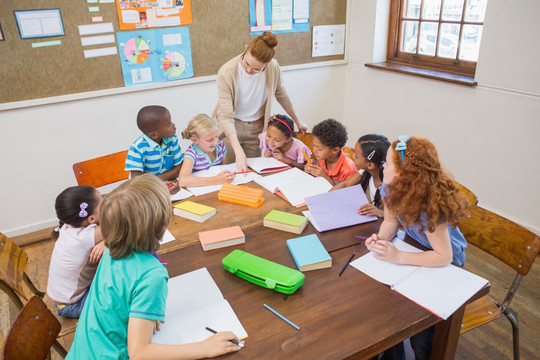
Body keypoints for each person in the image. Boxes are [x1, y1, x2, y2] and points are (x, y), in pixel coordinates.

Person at [66, 174, 244, 359]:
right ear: (162, 222)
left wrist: (141, 317)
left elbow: (115, 301)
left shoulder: (111, 248)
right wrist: (205, 348)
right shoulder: (152, 274)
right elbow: (139, 353)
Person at [365, 135, 469, 360]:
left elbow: (444, 256)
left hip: (446, 264)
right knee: (389, 312)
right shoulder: (390, 188)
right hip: (416, 250)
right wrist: (380, 239)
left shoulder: (430, 205)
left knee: (422, 336)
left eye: (389, 164)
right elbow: (391, 222)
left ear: (404, 174)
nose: (384, 166)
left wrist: (398, 256)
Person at [212, 31, 308, 172]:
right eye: (246, 63)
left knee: (250, 174)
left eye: (256, 69)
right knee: (229, 172)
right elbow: (226, 117)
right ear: (246, 49)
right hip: (231, 129)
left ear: (267, 64)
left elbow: (281, 95)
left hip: (256, 129)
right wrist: (239, 153)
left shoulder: (273, 68)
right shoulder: (226, 72)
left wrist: (297, 121)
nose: (249, 70)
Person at [47, 185, 106, 318]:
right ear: (91, 219)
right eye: (103, 204)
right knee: (119, 297)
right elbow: (121, 225)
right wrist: (107, 242)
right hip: (74, 305)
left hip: (63, 298)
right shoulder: (83, 238)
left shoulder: (67, 226)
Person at [125, 105, 183, 194]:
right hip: (143, 191)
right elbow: (136, 181)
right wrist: (159, 182)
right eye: (168, 124)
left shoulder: (172, 139)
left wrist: (158, 181)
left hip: (166, 185)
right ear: (154, 135)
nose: (173, 125)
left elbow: (179, 167)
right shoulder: (138, 148)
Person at [331, 134, 390, 218]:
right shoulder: (365, 171)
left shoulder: (391, 185)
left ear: (370, 165)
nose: (353, 156)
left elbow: (401, 220)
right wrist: (326, 197)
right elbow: (346, 184)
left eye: (356, 156)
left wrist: (380, 212)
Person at [178, 114, 235, 187]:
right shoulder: (191, 154)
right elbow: (182, 181)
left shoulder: (220, 146)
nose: (215, 142)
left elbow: (223, 168)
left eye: (216, 137)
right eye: (209, 140)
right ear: (195, 140)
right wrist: (216, 180)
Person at [304, 118, 357, 185]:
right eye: (314, 145)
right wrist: (311, 172)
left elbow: (346, 194)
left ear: (335, 150)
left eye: (319, 149)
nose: (314, 150)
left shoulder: (348, 170)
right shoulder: (322, 158)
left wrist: (325, 178)